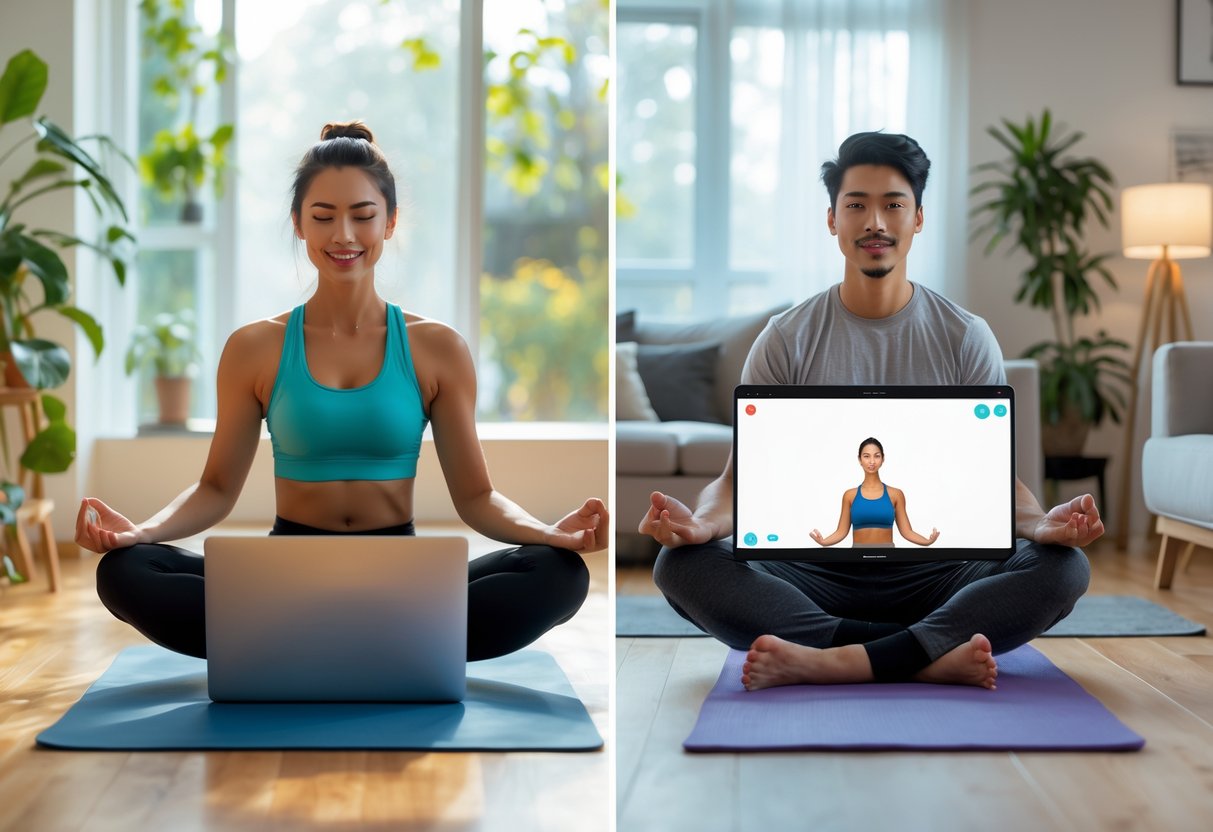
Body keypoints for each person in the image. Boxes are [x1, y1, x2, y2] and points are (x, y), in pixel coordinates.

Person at [79, 121, 607, 662]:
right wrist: (140, 532)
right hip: (288, 574)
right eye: (324, 217)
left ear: (391, 222)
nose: (344, 236)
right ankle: (388, 646)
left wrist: (546, 532)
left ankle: (296, 646)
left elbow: (476, 498)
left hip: (399, 577)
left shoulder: (437, 349)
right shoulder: (255, 348)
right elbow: (215, 489)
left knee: (559, 573)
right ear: (299, 224)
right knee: (126, 570)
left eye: (363, 215)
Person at [640, 131, 1097, 692]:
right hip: (812, 573)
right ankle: (925, 653)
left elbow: (997, 483)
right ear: (832, 220)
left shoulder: (965, 336)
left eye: (893, 205)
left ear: (918, 219)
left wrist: (1043, 525)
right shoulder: (785, 338)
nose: (874, 221)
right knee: (680, 566)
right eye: (856, 205)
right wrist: (703, 523)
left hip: (941, 573)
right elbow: (739, 482)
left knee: (1064, 568)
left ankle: (831, 656)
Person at [810, 437, 939, 548]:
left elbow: (907, 531)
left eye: (877, 456)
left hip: (888, 560)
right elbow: (841, 532)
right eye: (866, 456)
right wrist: (824, 542)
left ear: (883, 459)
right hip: (857, 559)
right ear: (860, 459)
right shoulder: (850, 495)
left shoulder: (896, 494)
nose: (872, 461)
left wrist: (927, 542)